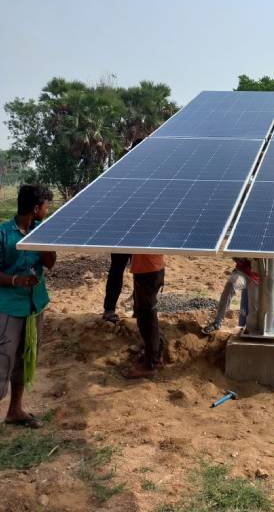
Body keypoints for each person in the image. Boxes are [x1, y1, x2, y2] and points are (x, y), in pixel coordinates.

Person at [0, 185, 56, 428]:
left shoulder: (41, 231)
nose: (47, 210)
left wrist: (44, 240)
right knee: (3, 359)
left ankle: (15, 410)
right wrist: (15, 280)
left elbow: (50, 263)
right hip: (8, 307)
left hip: (35, 304)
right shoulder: (3, 234)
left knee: (25, 357)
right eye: (46, 206)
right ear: (35, 209)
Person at [101, 138, 143, 323]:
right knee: (120, 270)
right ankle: (111, 309)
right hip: (123, 229)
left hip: (133, 229)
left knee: (138, 271)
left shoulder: (125, 171)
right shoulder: (124, 173)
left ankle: (136, 309)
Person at [123, 252, 165, 378]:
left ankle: (150, 364)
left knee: (146, 319)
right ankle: (155, 355)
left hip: (147, 273)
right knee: (147, 316)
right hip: (152, 270)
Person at [202, 258, 259, 335]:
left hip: (261, 277)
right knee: (230, 286)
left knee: (255, 309)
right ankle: (217, 323)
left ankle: (252, 328)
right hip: (243, 272)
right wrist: (240, 258)